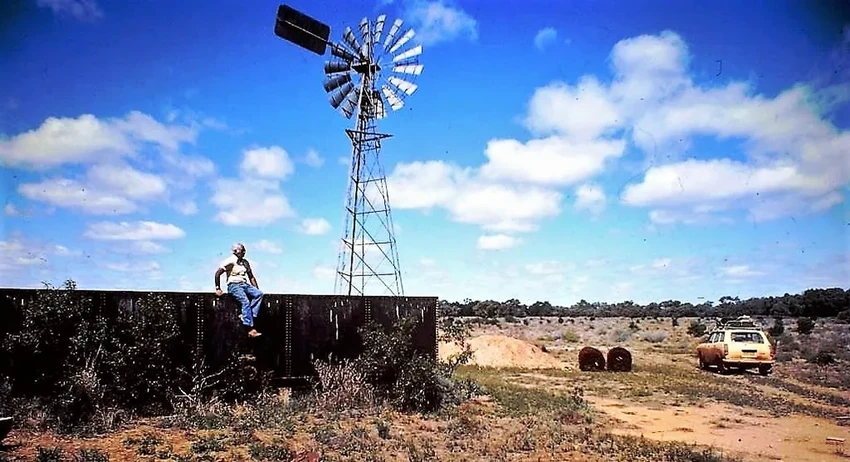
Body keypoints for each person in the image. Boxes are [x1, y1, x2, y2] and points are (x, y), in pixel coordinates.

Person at [214, 242, 263, 338]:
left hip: (244, 284)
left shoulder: (245, 262)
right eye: (242, 251)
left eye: (244, 250)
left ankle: (247, 316)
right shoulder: (230, 261)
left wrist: (255, 289)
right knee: (245, 301)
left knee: (259, 294)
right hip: (234, 285)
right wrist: (218, 288)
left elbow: (251, 277)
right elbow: (217, 273)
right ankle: (250, 329)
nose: (244, 252)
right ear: (236, 252)